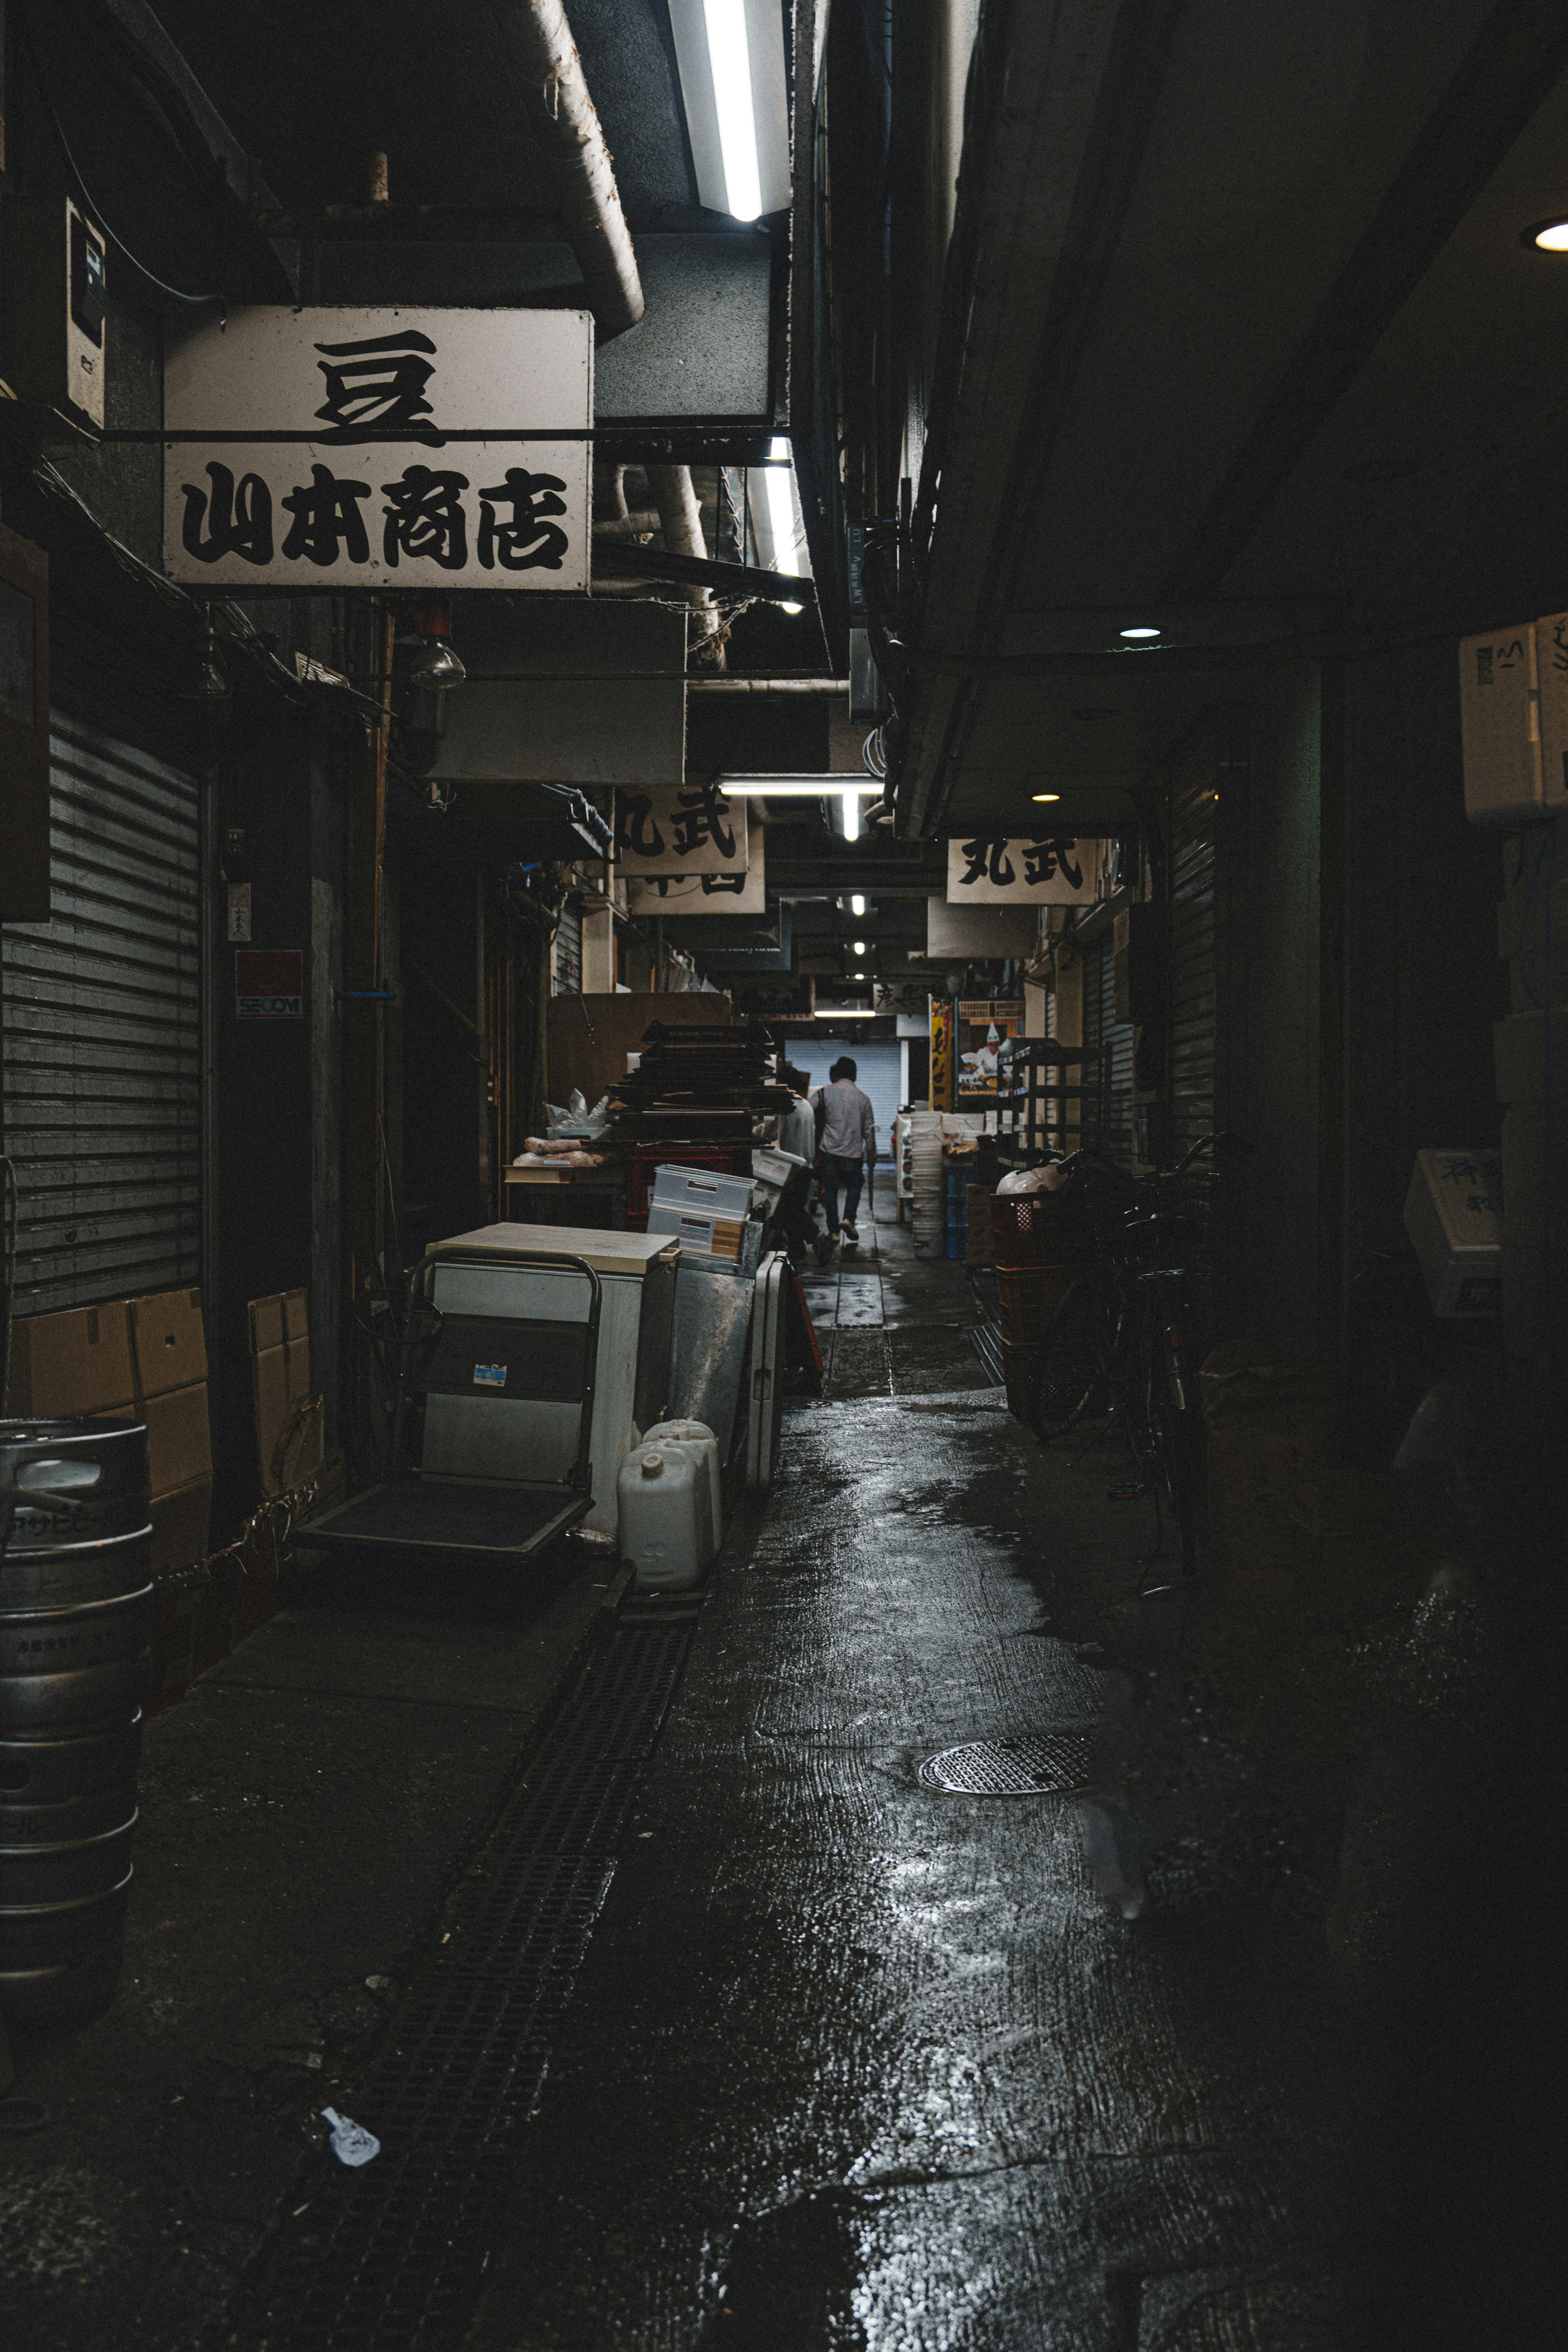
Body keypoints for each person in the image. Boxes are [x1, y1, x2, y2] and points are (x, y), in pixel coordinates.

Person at [810, 1057, 876, 1247]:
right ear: (855, 1075)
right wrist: (871, 1155)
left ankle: (834, 1232)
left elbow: (808, 1109)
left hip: (829, 1151)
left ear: (837, 1074)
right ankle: (849, 1219)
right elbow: (869, 1132)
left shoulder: (824, 1093)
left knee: (830, 1189)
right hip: (853, 1154)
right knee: (854, 1187)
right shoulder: (864, 1099)